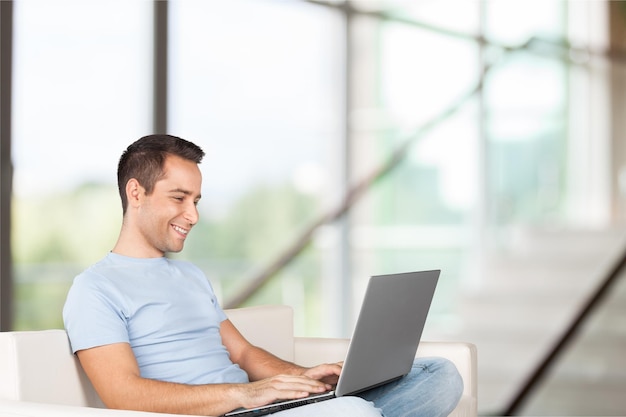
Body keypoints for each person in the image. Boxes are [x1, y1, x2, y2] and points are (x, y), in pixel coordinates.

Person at [63, 134, 464, 417]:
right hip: (224, 413)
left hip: (258, 407)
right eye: (179, 198)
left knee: (440, 375)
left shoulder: (190, 276)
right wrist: (246, 394)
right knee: (353, 412)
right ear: (136, 193)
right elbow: (123, 395)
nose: (193, 215)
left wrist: (302, 377)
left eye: (197, 200)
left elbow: (242, 353)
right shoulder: (94, 289)